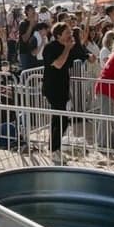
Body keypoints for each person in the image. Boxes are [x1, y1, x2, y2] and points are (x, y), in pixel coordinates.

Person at [41, 22, 74, 165]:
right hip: (52, 88)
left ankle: (55, 147)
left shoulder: (68, 46)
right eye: (67, 32)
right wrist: (67, 49)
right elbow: (58, 64)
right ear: (59, 35)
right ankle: (54, 149)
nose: (70, 35)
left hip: (63, 88)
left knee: (60, 120)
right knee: (60, 119)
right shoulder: (50, 48)